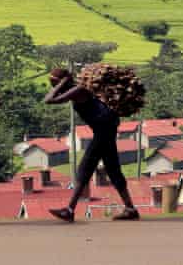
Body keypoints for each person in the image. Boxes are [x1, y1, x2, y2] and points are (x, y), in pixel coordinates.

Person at [44, 68, 139, 222]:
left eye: (54, 83)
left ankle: (69, 210)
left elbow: (49, 100)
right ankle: (130, 209)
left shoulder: (79, 89)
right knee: (113, 170)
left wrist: (61, 83)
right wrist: (62, 82)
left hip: (103, 131)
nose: (53, 86)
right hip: (105, 130)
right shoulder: (77, 90)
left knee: (85, 168)